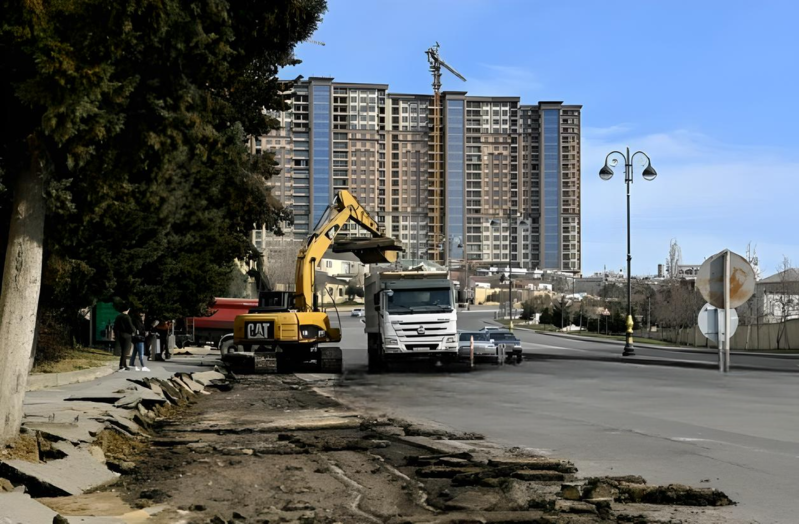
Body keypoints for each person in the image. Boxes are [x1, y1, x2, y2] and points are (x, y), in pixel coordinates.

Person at [114, 305, 136, 371]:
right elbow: (131, 326)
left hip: (119, 334)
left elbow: (115, 327)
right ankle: (121, 365)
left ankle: (125, 364)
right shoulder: (127, 317)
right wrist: (134, 330)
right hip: (127, 335)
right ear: (128, 309)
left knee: (122, 350)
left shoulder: (118, 316)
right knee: (125, 351)